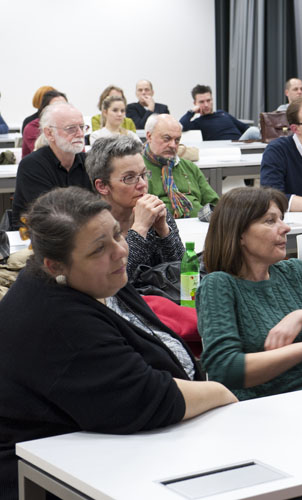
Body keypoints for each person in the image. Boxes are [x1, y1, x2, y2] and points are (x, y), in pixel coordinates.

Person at [0, 187, 237, 500]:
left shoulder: (98, 280)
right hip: (59, 477)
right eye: (99, 248)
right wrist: (220, 391)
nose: (120, 251)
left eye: (116, 234)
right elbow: (146, 397)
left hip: (130, 447)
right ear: (54, 265)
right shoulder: (57, 319)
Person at [196, 187, 302, 401]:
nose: (286, 228)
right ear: (239, 234)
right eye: (270, 221)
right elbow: (225, 369)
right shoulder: (219, 285)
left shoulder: (296, 271)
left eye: (282, 219)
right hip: (269, 407)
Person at [87, 135, 184, 279]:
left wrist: (163, 231)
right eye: (129, 178)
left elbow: (184, 273)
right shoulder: (88, 227)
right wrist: (140, 229)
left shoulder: (154, 211)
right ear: (102, 186)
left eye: (144, 174)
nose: (142, 184)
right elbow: (112, 281)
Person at [12, 102, 93, 229]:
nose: (80, 134)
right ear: (49, 133)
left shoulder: (89, 162)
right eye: (71, 128)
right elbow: (49, 214)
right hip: (38, 235)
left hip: (81, 231)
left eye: (82, 127)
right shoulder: (32, 165)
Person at [143, 114, 219, 218]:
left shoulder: (189, 167)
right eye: (167, 138)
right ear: (149, 136)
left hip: (198, 223)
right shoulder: (138, 170)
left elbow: (215, 203)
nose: (173, 145)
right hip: (162, 225)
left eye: (177, 140)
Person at [179, 84, 259, 141]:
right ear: (195, 103)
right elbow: (181, 125)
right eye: (201, 102)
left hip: (240, 143)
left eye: (208, 100)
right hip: (223, 149)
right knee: (254, 131)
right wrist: (192, 111)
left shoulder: (222, 113)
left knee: (255, 130)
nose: (206, 105)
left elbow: (244, 127)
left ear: (212, 100)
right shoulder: (198, 122)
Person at [21, 89, 67, 157]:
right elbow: (43, 155)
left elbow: (79, 152)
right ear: (45, 109)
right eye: (56, 107)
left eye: (65, 106)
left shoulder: (72, 126)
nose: (61, 110)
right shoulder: (33, 127)